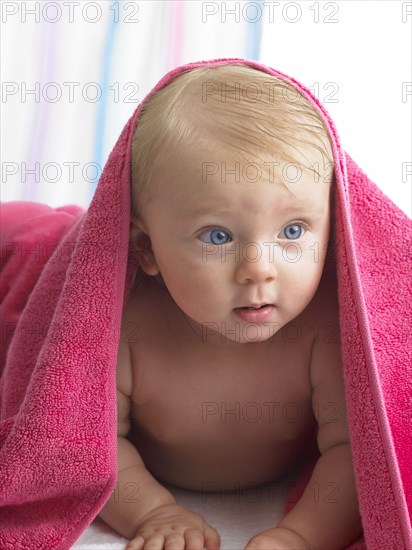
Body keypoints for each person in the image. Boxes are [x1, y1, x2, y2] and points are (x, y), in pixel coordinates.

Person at [98, 64, 363, 550]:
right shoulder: (125, 327)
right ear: (147, 247)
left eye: (292, 231)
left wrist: (300, 537)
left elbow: (354, 451)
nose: (258, 269)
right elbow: (88, 444)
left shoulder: (327, 328)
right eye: (218, 236)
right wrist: (154, 511)